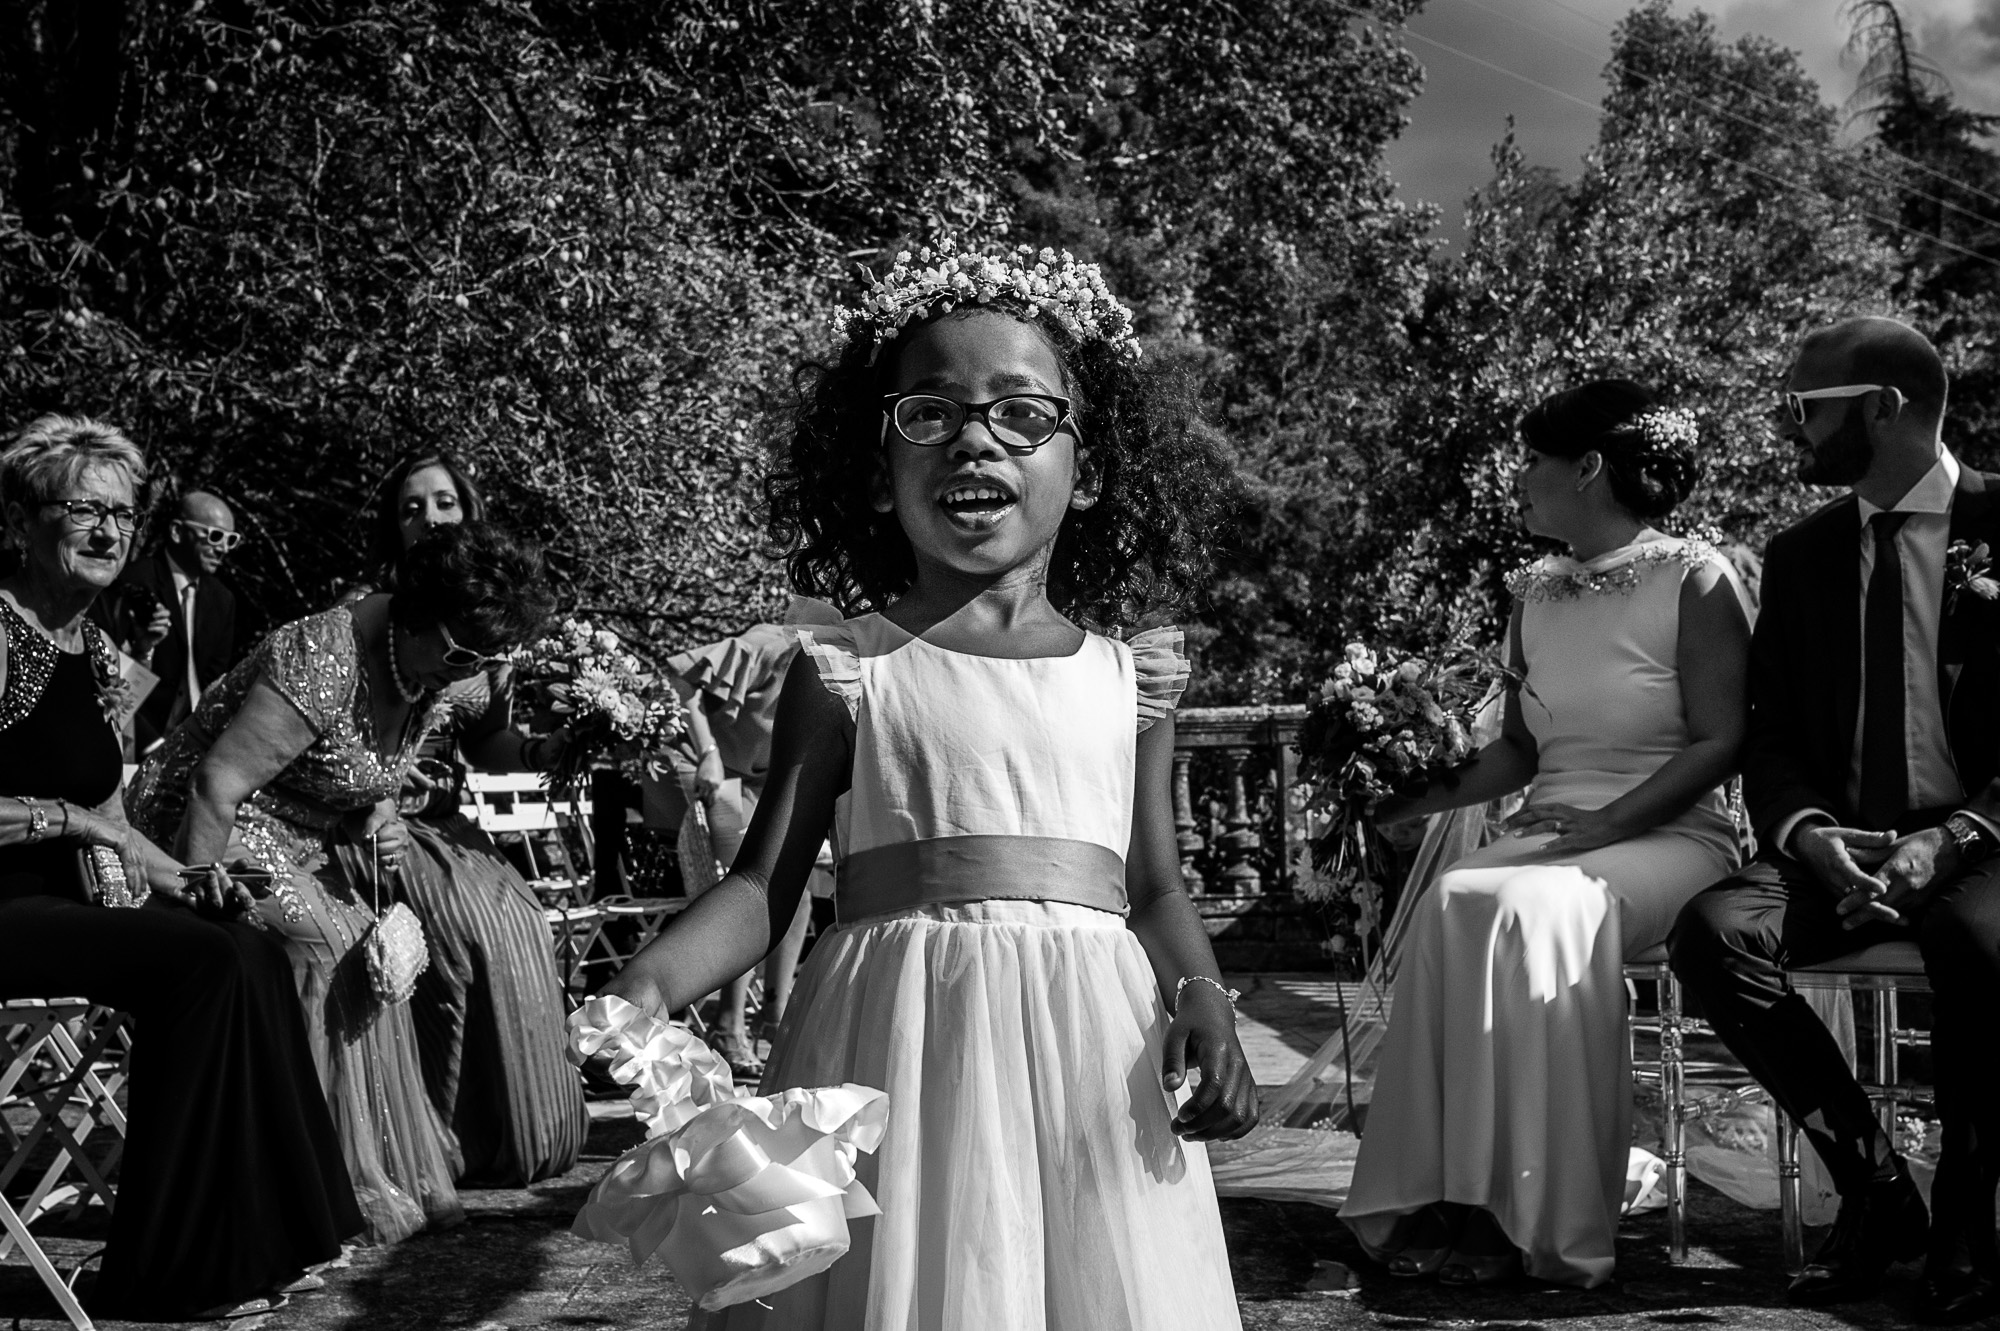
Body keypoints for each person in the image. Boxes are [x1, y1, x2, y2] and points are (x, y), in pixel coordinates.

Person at [599, 239, 1256, 1329]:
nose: (974, 436)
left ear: (1084, 470)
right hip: (895, 1047)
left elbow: (1152, 886)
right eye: (931, 410)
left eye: (1020, 412)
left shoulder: (1128, 676)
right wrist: (649, 983)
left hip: (1094, 1055)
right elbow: (764, 884)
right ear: (876, 464)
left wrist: (1205, 1001)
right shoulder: (845, 665)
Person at [1340, 380, 1751, 1288]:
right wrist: (1396, 800)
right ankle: (1446, 1187)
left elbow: (1724, 740)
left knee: (1529, 908)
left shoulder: (1697, 576)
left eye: (1533, 459)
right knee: (1455, 896)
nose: (1518, 478)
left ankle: (1538, 1209)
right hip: (1560, 822)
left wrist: (1608, 823)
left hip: (1674, 834)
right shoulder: (1536, 592)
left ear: (1590, 468)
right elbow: (1520, 753)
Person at [1670, 317, 2000, 1322]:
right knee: (1715, 935)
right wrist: (1810, 832)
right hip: (1839, 847)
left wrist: (1947, 838)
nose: (1788, 431)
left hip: (1982, 842)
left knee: (1976, 941)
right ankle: (1870, 1183)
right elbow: (1767, 734)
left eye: (1801, 409)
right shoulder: (1802, 553)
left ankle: (1966, 1223)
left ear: (1880, 408)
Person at [0, 413, 361, 1320]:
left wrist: (186, 877)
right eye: (82, 508)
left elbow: (115, 816)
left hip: (57, 910)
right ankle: (180, 1269)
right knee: (197, 967)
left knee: (242, 941)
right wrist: (76, 822)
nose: (107, 531)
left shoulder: (88, 647)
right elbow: (91, 819)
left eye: (122, 514)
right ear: (18, 519)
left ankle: (282, 1237)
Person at [128, 519, 556, 1244]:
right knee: (323, 946)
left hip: (302, 834)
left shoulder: (427, 668)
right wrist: (198, 917)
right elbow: (214, 785)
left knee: (376, 951)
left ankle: (364, 1173)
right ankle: (300, 1184)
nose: (465, 669)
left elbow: (361, 771)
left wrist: (380, 810)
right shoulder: (326, 654)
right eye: (457, 650)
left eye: (482, 657)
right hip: (202, 828)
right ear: (416, 611)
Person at [346, 452, 587, 1187]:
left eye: (443, 503)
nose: (428, 517)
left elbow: (489, 744)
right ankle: (443, 1138)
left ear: (467, 513)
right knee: (458, 929)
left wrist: (550, 744)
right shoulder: (366, 612)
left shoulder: (491, 630)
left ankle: (528, 1129)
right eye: (412, 506)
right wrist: (379, 772)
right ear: (394, 525)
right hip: (374, 823)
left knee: (517, 916)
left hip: (451, 823)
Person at [645, 621, 815, 1078]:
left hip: (754, 781)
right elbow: (680, 677)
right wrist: (707, 752)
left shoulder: (847, 665)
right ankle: (727, 1023)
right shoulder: (770, 645)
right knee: (741, 887)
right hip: (699, 767)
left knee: (796, 887)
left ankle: (775, 1017)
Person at [94, 488, 242, 753]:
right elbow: (109, 675)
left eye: (231, 540)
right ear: (176, 532)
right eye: (215, 536)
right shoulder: (133, 582)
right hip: (133, 738)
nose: (222, 549)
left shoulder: (222, 601)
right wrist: (152, 744)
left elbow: (215, 683)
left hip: (192, 742)